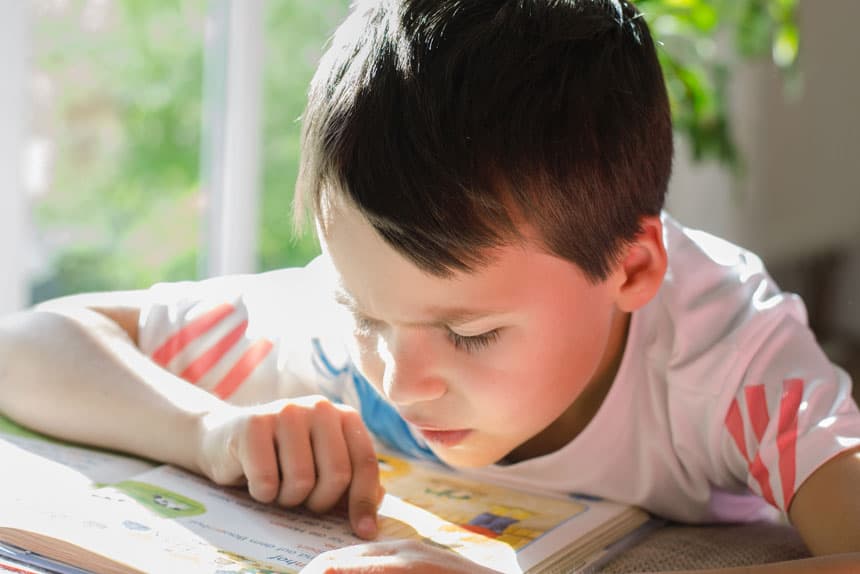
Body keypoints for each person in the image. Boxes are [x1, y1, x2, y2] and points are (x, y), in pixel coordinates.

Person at [1, 0, 858, 572]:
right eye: (363, 310)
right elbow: (26, 348)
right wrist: (211, 429)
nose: (399, 382)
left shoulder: (729, 356)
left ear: (631, 269)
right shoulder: (342, 326)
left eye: (472, 334)